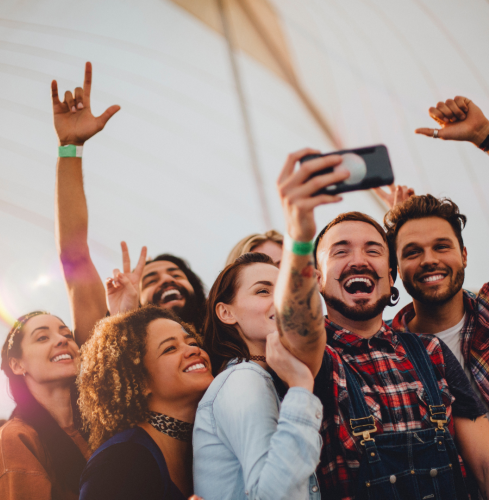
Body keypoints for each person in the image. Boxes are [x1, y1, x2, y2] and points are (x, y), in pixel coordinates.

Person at [276, 148, 489, 500]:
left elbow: (483, 465)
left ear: (391, 278)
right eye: (341, 251)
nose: (359, 261)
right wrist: (298, 234)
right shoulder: (318, 358)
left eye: (373, 250)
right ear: (316, 279)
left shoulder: (431, 351)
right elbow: (297, 326)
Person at [193, 154, 351, 500]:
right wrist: (300, 386)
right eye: (264, 290)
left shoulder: (265, 378)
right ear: (226, 312)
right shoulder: (242, 381)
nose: (280, 301)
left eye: (282, 290)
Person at [52, 62, 206, 345]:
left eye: (175, 274)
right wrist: (70, 147)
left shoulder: (225, 342)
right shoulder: (114, 343)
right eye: (150, 281)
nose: (167, 280)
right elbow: (74, 255)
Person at [78, 305, 209, 500]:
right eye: (170, 348)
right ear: (139, 381)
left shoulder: (202, 445)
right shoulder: (119, 462)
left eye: (191, 341)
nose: (192, 350)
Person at [385, 194, 489, 409]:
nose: (429, 260)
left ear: (464, 255)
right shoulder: (383, 351)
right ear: (397, 269)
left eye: (441, 246)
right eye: (412, 252)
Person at [0, 311, 90, 500]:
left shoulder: (102, 423)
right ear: (17, 365)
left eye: (67, 335)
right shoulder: (14, 440)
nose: (62, 340)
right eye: (42, 337)